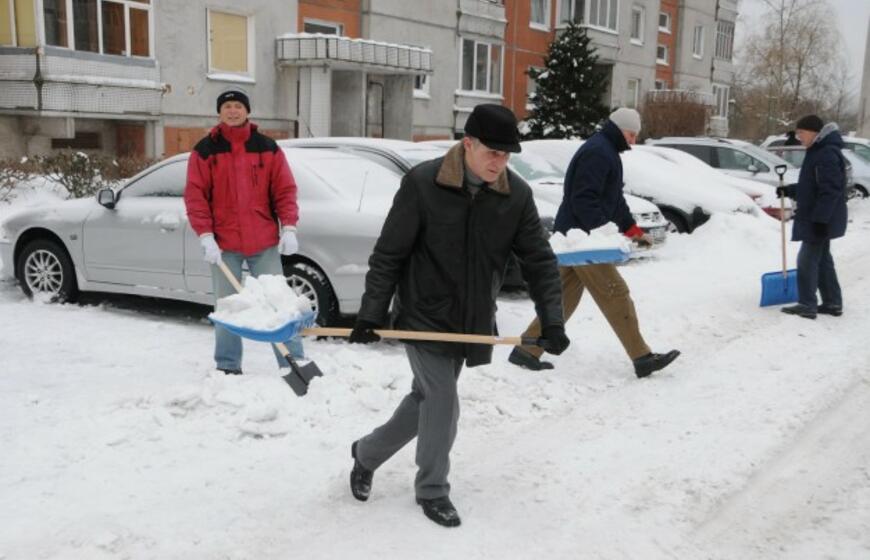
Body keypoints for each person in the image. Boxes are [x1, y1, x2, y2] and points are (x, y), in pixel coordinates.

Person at [346, 104, 569, 527]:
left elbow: (539, 262)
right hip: (422, 313)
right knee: (443, 401)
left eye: (506, 155)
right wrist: (371, 314)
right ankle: (432, 490)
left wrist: (552, 321)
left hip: (472, 319)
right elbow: (389, 254)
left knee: (426, 401)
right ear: (467, 143)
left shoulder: (515, 195)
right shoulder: (422, 184)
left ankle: (366, 453)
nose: (498, 162)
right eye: (491, 152)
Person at [508, 107, 680, 378]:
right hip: (584, 240)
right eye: (631, 134)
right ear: (619, 129)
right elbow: (584, 199)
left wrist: (632, 229)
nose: (633, 141)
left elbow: (614, 199)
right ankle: (642, 357)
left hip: (578, 236)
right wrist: (603, 234)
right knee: (617, 294)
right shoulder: (599, 152)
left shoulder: (607, 151)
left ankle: (526, 350)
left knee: (563, 298)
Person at [184, 87, 304, 374]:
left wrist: (289, 227)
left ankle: (294, 361)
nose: (233, 111)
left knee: (278, 305)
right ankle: (227, 367)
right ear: (220, 112)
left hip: (263, 242)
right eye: (228, 106)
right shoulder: (205, 150)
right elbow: (195, 196)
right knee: (228, 309)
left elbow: (284, 190)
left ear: (247, 111)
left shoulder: (267, 147)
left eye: (238, 106)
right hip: (224, 245)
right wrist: (205, 235)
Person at [775, 114, 847, 319]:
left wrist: (820, 220)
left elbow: (830, 191)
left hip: (819, 219)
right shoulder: (818, 151)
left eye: (801, 133)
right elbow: (812, 187)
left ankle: (807, 304)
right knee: (823, 260)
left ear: (815, 132)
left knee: (806, 260)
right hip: (819, 217)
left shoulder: (825, 154)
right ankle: (832, 303)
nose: (799, 137)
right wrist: (790, 190)